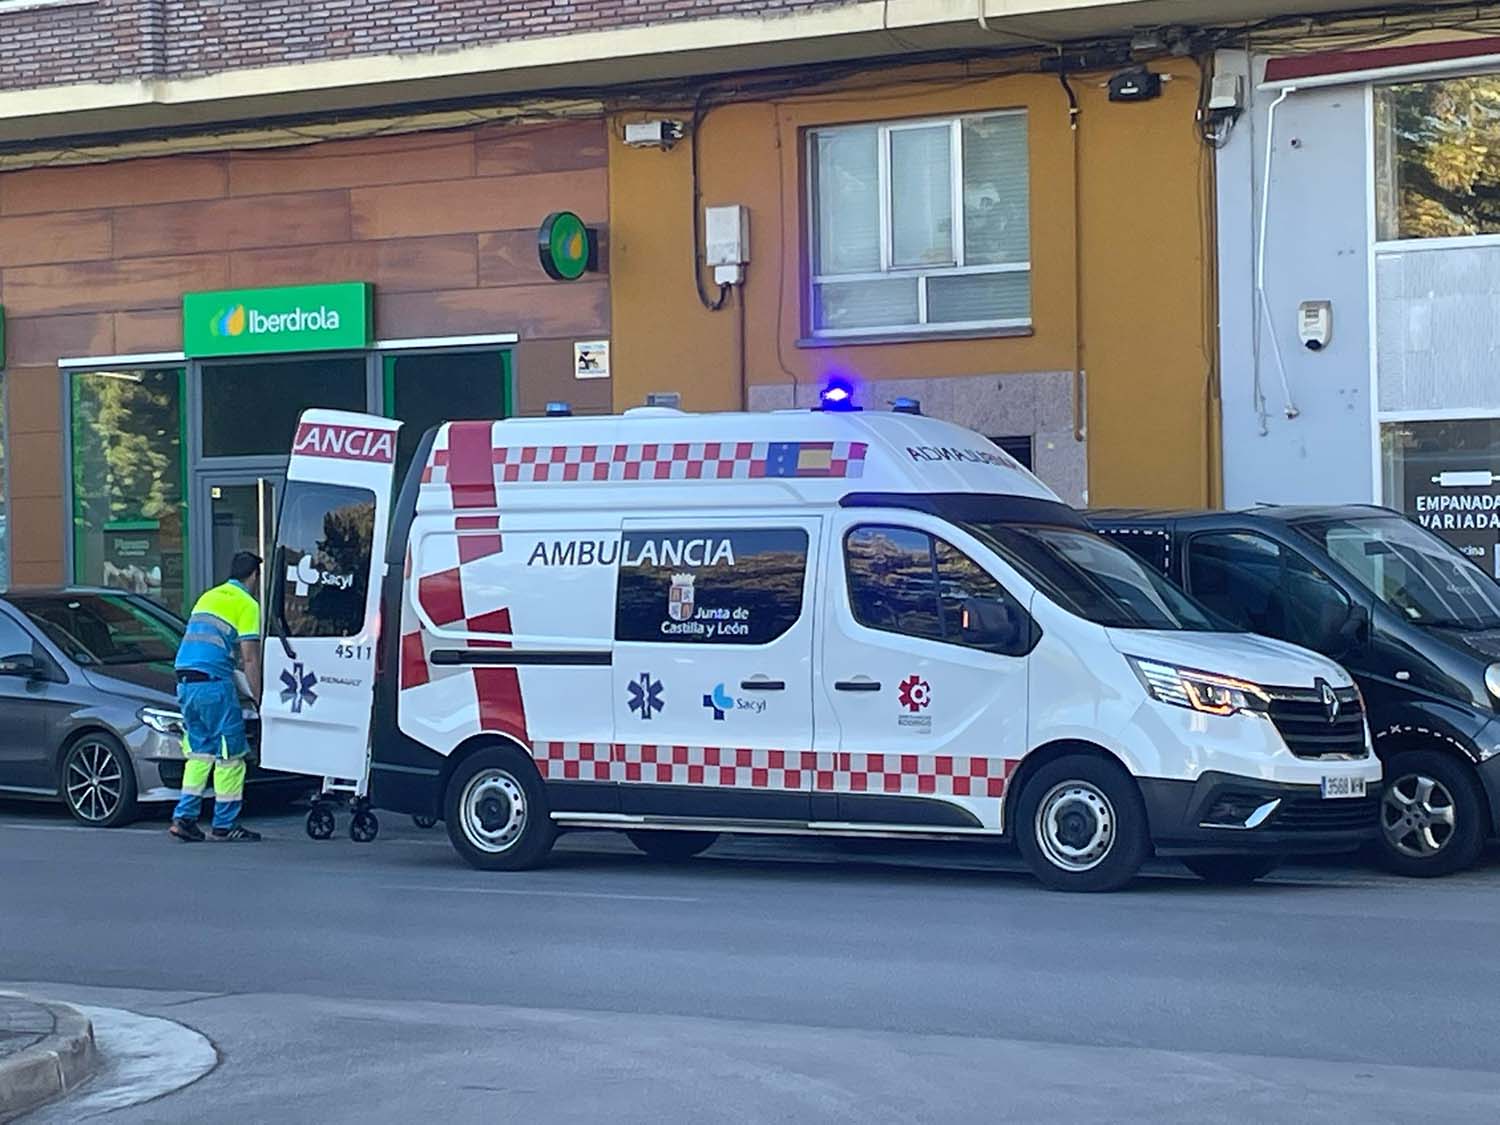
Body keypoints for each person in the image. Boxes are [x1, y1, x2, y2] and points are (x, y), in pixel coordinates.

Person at [169, 552, 264, 842]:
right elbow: (250, 659)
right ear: (255, 576)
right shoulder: (247, 604)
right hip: (213, 684)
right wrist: (260, 698)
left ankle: (184, 818)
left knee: (200, 753)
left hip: (186, 682)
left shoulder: (208, 597)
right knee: (230, 756)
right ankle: (225, 825)